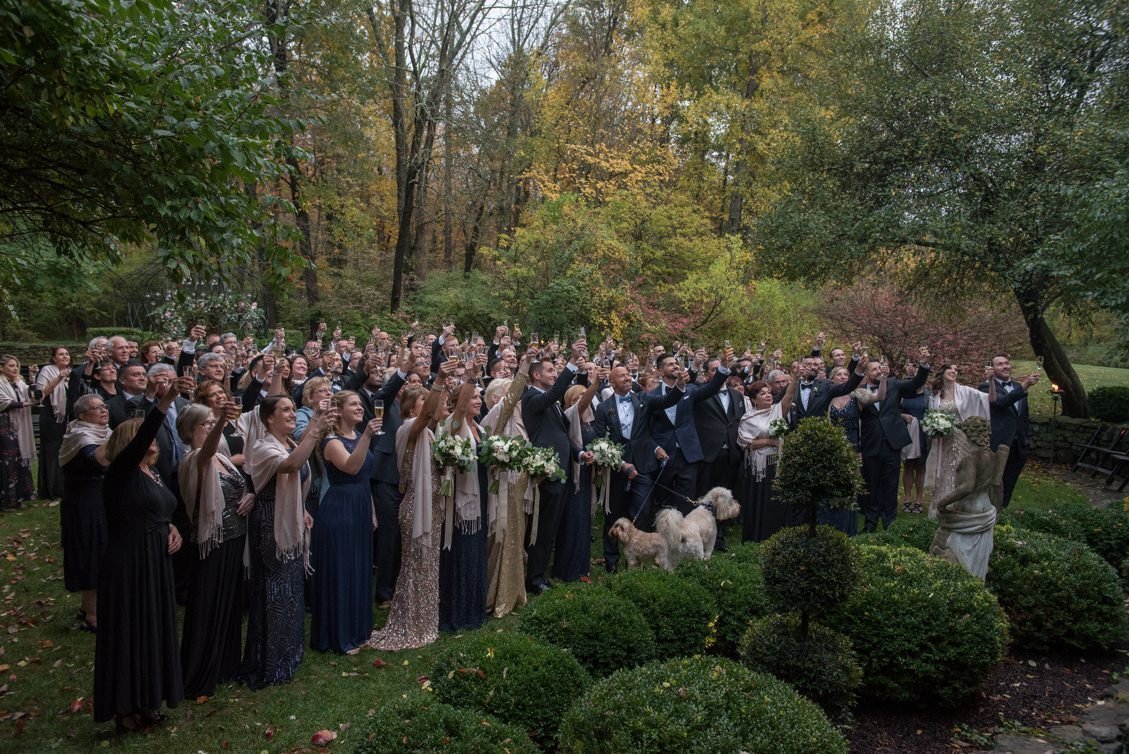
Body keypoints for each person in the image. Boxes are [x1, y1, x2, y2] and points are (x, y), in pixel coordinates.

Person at [93, 378, 187, 731]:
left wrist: (171, 527)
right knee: (130, 630)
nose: (151, 444)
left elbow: (161, 510)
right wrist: (167, 400)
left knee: (153, 628)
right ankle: (124, 707)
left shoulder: (152, 473)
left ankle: (149, 699)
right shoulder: (120, 474)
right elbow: (146, 433)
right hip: (130, 563)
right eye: (143, 440)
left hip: (156, 561)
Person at [240, 394, 330, 689]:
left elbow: (295, 479)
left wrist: (302, 508)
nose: (292, 413)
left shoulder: (288, 442)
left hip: (290, 520)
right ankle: (269, 663)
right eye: (285, 410)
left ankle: (289, 655)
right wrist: (315, 429)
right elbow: (291, 466)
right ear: (268, 418)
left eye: (293, 409)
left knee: (290, 590)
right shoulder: (263, 446)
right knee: (274, 591)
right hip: (270, 524)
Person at [366, 361, 457, 650]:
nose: (429, 404)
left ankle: (424, 619)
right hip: (415, 506)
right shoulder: (407, 429)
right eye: (423, 399)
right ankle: (411, 622)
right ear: (410, 406)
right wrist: (440, 379)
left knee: (427, 566)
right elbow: (430, 413)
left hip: (433, 504)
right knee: (415, 566)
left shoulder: (431, 433)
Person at [177, 401, 250, 698]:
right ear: (191, 430)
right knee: (209, 605)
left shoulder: (224, 459)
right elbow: (205, 453)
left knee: (230, 605)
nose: (211, 428)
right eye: (205, 424)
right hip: (211, 543)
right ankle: (198, 674)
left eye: (212, 423)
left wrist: (251, 497)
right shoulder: (193, 458)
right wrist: (221, 420)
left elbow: (238, 486)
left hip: (235, 538)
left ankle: (226, 665)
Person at [591, 364, 682, 571]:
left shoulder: (643, 399)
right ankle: (611, 561)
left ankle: (636, 556)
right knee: (613, 514)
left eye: (628, 375)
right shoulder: (604, 408)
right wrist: (621, 464)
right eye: (621, 376)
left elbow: (668, 400)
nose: (626, 378)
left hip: (643, 464)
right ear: (612, 383)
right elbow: (598, 441)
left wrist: (680, 385)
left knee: (642, 509)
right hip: (617, 466)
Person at [310, 391, 381, 654]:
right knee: (342, 570)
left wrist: (372, 510)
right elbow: (351, 468)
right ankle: (339, 635)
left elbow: (363, 477)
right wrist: (367, 436)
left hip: (361, 505)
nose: (360, 408)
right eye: (354, 404)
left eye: (361, 404)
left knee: (360, 568)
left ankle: (359, 629)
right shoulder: (331, 441)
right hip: (340, 510)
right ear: (339, 411)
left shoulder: (357, 436)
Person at [521, 340, 585, 591]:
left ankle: (541, 574)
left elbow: (563, 434)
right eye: (550, 371)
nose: (554, 374)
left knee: (552, 528)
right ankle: (534, 579)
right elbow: (556, 392)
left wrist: (578, 455)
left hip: (561, 469)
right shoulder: (531, 398)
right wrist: (571, 361)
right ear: (536, 375)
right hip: (547, 473)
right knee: (543, 528)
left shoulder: (551, 402)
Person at [481, 355, 533, 614]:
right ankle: (494, 594)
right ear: (495, 399)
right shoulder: (496, 415)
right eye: (509, 391)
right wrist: (523, 368)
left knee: (516, 538)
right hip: (502, 487)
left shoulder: (518, 419)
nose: (516, 396)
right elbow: (512, 396)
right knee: (502, 539)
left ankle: (513, 591)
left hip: (518, 486)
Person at [858, 349, 931, 532]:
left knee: (890, 486)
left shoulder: (893, 384)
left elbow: (916, 383)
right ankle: (870, 523)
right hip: (870, 444)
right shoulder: (859, 391)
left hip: (891, 444)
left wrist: (922, 365)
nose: (877, 371)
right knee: (870, 485)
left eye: (879, 368)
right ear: (867, 373)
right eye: (873, 369)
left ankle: (890, 523)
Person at [438, 374, 489, 631]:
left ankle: (475, 608)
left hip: (481, 493)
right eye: (473, 397)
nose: (478, 401)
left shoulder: (480, 428)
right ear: (461, 402)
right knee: (462, 550)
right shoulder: (454, 425)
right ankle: (458, 611)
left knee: (477, 550)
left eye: (480, 396)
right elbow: (457, 411)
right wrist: (470, 376)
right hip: (462, 499)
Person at [649, 352, 728, 515]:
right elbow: (646, 430)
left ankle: (684, 536)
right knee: (663, 500)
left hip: (688, 454)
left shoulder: (690, 390)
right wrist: (656, 448)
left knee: (686, 499)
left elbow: (712, 388)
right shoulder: (650, 396)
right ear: (661, 371)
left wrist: (724, 367)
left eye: (676, 364)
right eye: (670, 364)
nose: (675, 366)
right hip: (665, 455)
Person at [928, 417, 1007, 580]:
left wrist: (942, 503)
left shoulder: (971, 458)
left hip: (968, 509)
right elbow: (998, 488)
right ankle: (974, 581)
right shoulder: (994, 457)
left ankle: (958, 579)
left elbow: (967, 487)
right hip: (985, 508)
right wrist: (997, 511)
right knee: (976, 555)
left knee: (949, 545)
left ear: (968, 434)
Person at [59, 393, 111, 632]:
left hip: (100, 499)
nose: (103, 410)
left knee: (100, 549)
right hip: (84, 504)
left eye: (104, 406)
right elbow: (98, 460)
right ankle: (93, 615)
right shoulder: (80, 436)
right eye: (96, 408)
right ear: (82, 415)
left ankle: (87, 605)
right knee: (91, 551)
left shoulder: (105, 433)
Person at [554, 362, 606, 582]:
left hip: (586, 476)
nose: (582, 403)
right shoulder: (569, 415)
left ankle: (582, 567)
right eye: (577, 399)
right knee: (573, 521)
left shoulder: (590, 423)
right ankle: (568, 570)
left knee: (584, 521)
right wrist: (595, 384)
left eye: (583, 398)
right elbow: (582, 405)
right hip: (572, 475)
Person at [926, 364, 991, 518]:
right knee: (943, 470)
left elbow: (987, 399)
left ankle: (957, 504)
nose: (954, 371)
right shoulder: (934, 396)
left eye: (956, 369)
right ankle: (939, 506)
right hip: (943, 440)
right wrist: (933, 427)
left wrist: (991, 381)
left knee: (958, 468)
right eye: (951, 369)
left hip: (960, 437)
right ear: (943, 372)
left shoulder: (964, 391)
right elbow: (931, 415)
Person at [737, 378, 797, 542]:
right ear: (754, 399)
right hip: (759, 467)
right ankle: (759, 534)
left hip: (778, 464)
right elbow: (745, 443)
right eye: (763, 393)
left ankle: (780, 533)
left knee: (778, 499)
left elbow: (789, 397)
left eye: (769, 392)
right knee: (762, 500)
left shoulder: (777, 411)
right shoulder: (748, 418)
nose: (768, 395)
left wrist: (796, 378)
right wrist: (770, 442)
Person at [979, 354, 1037, 508]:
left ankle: (1001, 512)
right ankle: (987, 512)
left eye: (1006, 363)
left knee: (1009, 484)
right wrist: (1025, 386)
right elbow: (1001, 402)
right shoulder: (986, 387)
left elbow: (1024, 416)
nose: (1005, 366)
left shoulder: (1017, 386)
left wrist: (1026, 439)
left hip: (1019, 445)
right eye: (1000, 364)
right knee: (993, 482)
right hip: (998, 443)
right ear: (992, 368)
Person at [35, 347, 73, 499]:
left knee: (66, 450)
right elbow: (41, 393)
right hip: (51, 415)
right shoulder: (47, 370)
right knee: (52, 451)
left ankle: (64, 485)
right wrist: (59, 378)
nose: (65, 356)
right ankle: (50, 488)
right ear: (53, 358)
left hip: (66, 417)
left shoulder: (71, 373)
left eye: (67, 354)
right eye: (61, 354)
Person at [0, 355, 37, 509]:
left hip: (19, 425)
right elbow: (2, 401)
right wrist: (24, 404)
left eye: (16, 365)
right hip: (4, 425)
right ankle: (7, 500)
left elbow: (32, 393)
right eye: (11, 366)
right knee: (8, 461)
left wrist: (32, 376)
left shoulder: (18, 382)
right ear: (1, 368)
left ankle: (21, 496)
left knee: (20, 458)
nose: (15, 368)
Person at [899, 360, 931, 514]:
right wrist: (902, 415)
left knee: (921, 466)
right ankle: (906, 498)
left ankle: (919, 498)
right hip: (908, 433)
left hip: (924, 433)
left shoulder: (928, 394)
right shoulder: (905, 392)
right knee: (908, 466)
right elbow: (893, 409)